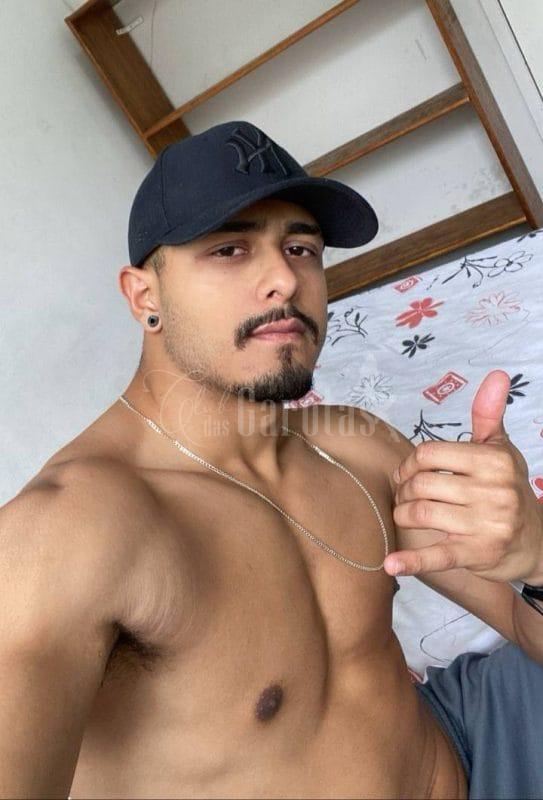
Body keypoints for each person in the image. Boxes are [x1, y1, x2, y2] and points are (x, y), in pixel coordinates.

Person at [1, 120, 542, 800]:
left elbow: (522, 623)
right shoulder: (65, 534)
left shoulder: (357, 444)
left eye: (300, 247)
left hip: (466, 738)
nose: (284, 279)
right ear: (145, 297)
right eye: (229, 249)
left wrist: (536, 558)